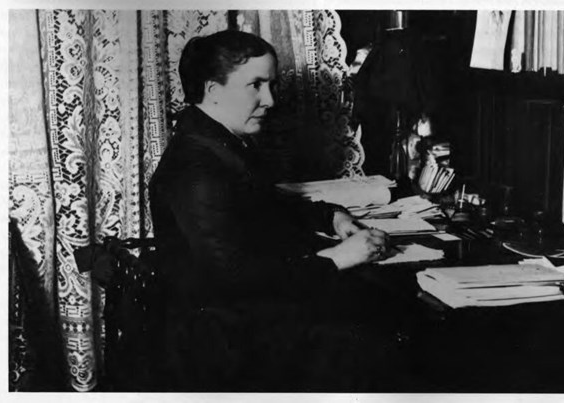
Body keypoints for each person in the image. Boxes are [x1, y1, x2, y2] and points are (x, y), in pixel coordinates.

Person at [148, 30, 405, 392]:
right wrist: (338, 258)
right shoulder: (197, 167)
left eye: (270, 84)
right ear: (213, 90)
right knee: (380, 334)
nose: (269, 99)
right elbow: (232, 279)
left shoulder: (217, 141)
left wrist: (332, 217)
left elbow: (263, 204)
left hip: (239, 320)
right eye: (255, 85)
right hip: (223, 340)